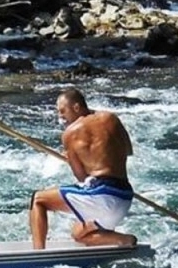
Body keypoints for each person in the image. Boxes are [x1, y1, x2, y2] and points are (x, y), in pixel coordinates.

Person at [30, 88, 138, 249]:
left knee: (38, 199)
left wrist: (72, 158)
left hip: (102, 196)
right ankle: (124, 240)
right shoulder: (111, 118)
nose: (61, 117)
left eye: (62, 111)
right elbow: (128, 150)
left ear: (76, 107)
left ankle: (37, 254)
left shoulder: (70, 134)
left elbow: (81, 177)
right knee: (79, 235)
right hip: (124, 198)